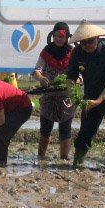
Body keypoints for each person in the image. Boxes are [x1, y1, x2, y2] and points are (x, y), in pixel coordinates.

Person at [66, 19, 105, 171]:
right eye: (83, 42)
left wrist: (99, 101)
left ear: (97, 39)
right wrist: (73, 97)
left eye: (90, 41)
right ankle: (77, 165)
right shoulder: (77, 53)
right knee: (85, 131)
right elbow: (70, 78)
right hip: (91, 94)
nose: (86, 45)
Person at [33, 22, 75, 160]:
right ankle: (41, 156)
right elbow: (37, 70)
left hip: (66, 97)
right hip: (48, 96)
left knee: (65, 129)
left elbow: (79, 73)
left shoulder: (73, 52)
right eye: (55, 36)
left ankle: (64, 159)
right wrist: (42, 78)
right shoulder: (46, 52)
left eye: (61, 37)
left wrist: (77, 80)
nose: (58, 39)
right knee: (45, 128)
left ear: (67, 37)